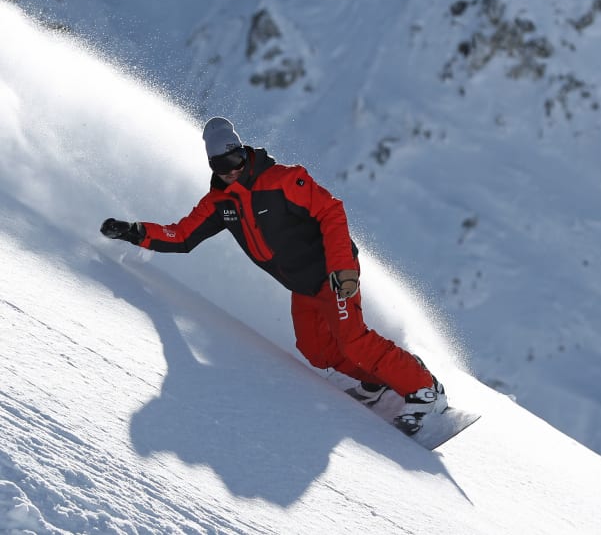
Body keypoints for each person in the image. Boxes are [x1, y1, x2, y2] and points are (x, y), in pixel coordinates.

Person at [100, 116, 446, 433]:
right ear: (211, 166)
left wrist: (342, 268)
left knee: (352, 338)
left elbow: (331, 211)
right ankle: (378, 379)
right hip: (302, 285)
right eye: (221, 166)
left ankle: (424, 388)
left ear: (243, 152)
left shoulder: (283, 180)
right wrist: (135, 231)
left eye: (234, 160)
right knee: (316, 351)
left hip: (332, 272)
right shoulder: (221, 203)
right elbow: (183, 235)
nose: (230, 171)